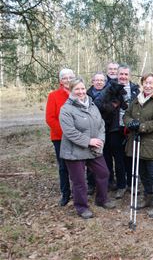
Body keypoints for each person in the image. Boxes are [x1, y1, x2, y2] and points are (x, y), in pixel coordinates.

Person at [59, 78, 115, 219]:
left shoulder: (92, 105)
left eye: (83, 88)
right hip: (74, 151)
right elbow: (69, 131)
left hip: (93, 149)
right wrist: (89, 141)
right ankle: (81, 207)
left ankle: (102, 200)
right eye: (77, 89)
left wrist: (100, 140)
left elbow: (101, 124)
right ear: (71, 91)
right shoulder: (66, 109)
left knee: (103, 173)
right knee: (80, 182)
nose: (81, 92)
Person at [123, 73, 153, 218]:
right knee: (142, 172)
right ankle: (147, 196)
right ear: (142, 84)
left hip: (151, 143)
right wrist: (130, 123)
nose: (148, 86)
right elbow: (126, 115)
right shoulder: (137, 100)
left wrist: (141, 126)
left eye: (151, 83)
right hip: (137, 143)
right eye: (145, 83)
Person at [95, 64, 140, 199]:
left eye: (126, 74)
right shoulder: (109, 88)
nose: (123, 77)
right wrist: (112, 106)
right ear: (117, 75)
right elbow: (97, 104)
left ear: (129, 76)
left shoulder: (135, 89)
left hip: (131, 129)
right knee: (119, 159)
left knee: (130, 157)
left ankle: (132, 184)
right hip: (114, 128)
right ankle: (121, 185)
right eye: (121, 74)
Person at [46, 68, 75, 206]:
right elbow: (50, 118)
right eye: (65, 78)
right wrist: (67, 133)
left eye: (70, 77)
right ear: (60, 81)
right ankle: (65, 193)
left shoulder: (79, 93)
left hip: (78, 137)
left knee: (78, 165)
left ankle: (79, 192)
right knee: (63, 167)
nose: (68, 80)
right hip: (60, 137)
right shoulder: (54, 96)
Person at [86, 72, 107, 194]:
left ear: (105, 82)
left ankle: (104, 184)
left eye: (101, 80)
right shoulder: (87, 94)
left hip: (104, 130)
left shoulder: (109, 94)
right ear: (92, 82)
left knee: (102, 159)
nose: (99, 82)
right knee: (90, 158)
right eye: (96, 80)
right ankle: (91, 184)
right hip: (90, 132)